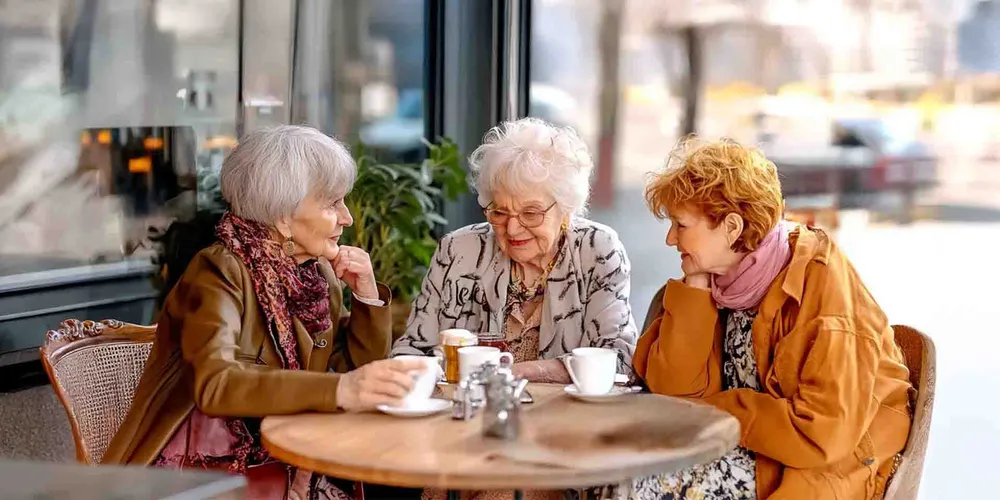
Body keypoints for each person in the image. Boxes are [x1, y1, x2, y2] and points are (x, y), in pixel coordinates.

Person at [102, 125, 426, 499]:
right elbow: (216, 384)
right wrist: (341, 389)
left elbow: (348, 376)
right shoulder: (218, 271)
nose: (347, 218)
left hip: (286, 459)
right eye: (331, 203)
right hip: (203, 472)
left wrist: (367, 298)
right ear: (284, 216)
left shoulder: (317, 275)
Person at [631, 138, 912, 499]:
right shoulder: (723, 277)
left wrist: (719, 413)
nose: (670, 239)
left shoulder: (821, 285)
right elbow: (674, 393)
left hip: (819, 469)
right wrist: (697, 285)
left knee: (646, 483)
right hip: (750, 451)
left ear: (732, 228)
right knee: (618, 470)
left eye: (681, 225)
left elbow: (822, 433)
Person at [392, 117, 637, 385]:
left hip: (566, 420)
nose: (512, 228)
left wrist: (509, 373)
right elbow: (412, 351)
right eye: (498, 211)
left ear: (566, 209)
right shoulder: (457, 251)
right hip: (467, 417)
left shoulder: (596, 251)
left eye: (530, 213)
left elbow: (617, 360)